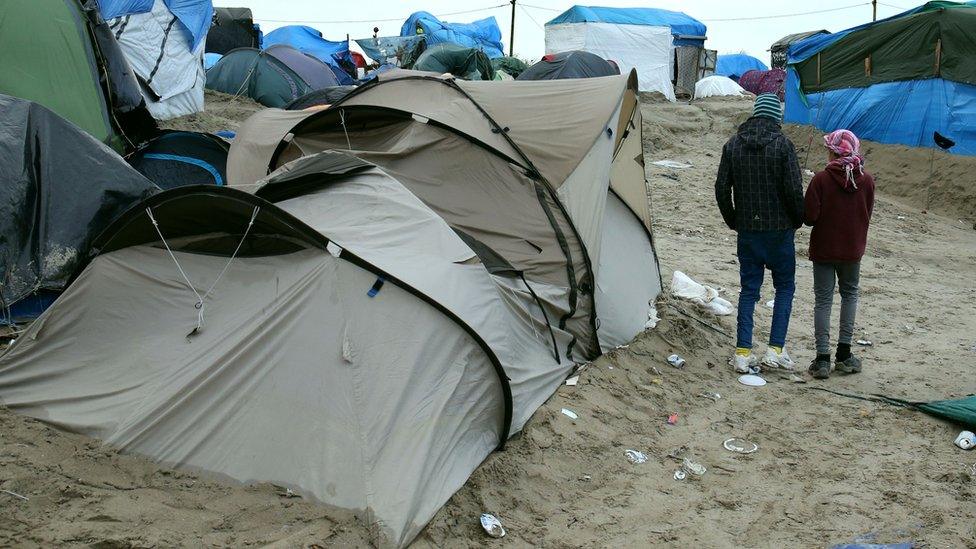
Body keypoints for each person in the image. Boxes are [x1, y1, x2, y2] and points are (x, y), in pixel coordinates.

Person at [715, 93, 804, 373]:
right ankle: (775, 349)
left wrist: (734, 220)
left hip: (748, 231)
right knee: (785, 288)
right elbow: (793, 190)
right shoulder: (783, 145)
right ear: (777, 117)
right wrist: (797, 219)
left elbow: (720, 188)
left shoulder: (733, 145)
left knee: (749, 291)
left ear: (754, 114)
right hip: (779, 230)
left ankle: (743, 352)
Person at [804, 129, 875, 379]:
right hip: (852, 250)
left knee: (823, 301)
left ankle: (822, 358)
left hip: (824, 249)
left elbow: (810, 218)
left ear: (833, 151)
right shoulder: (866, 180)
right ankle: (844, 354)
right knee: (850, 295)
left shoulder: (820, 180)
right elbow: (867, 212)